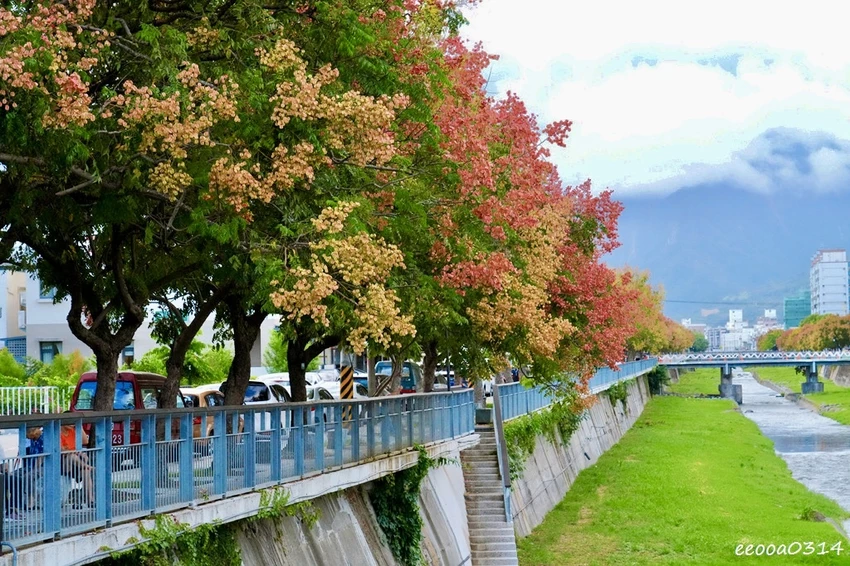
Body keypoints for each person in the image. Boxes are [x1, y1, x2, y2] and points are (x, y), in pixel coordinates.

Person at [60, 423, 95, 508]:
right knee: (71, 456)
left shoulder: (73, 431)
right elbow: (62, 450)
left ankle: (90, 500)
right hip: (63, 463)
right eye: (70, 422)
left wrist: (80, 427)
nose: (72, 424)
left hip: (76, 463)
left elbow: (85, 441)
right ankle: (85, 465)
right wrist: (75, 452)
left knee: (86, 473)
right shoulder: (57, 433)